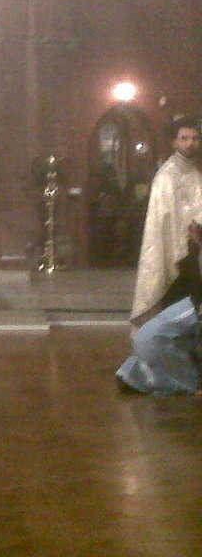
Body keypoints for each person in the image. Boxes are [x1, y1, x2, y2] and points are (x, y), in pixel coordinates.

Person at [116, 116, 202, 394]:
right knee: (170, 329)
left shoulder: (196, 170)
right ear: (174, 141)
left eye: (194, 138)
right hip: (178, 260)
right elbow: (166, 223)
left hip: (195, 256)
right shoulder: (166, 175)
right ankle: (146, 375)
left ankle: (143, 374)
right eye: (184, 138)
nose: (190, 143)